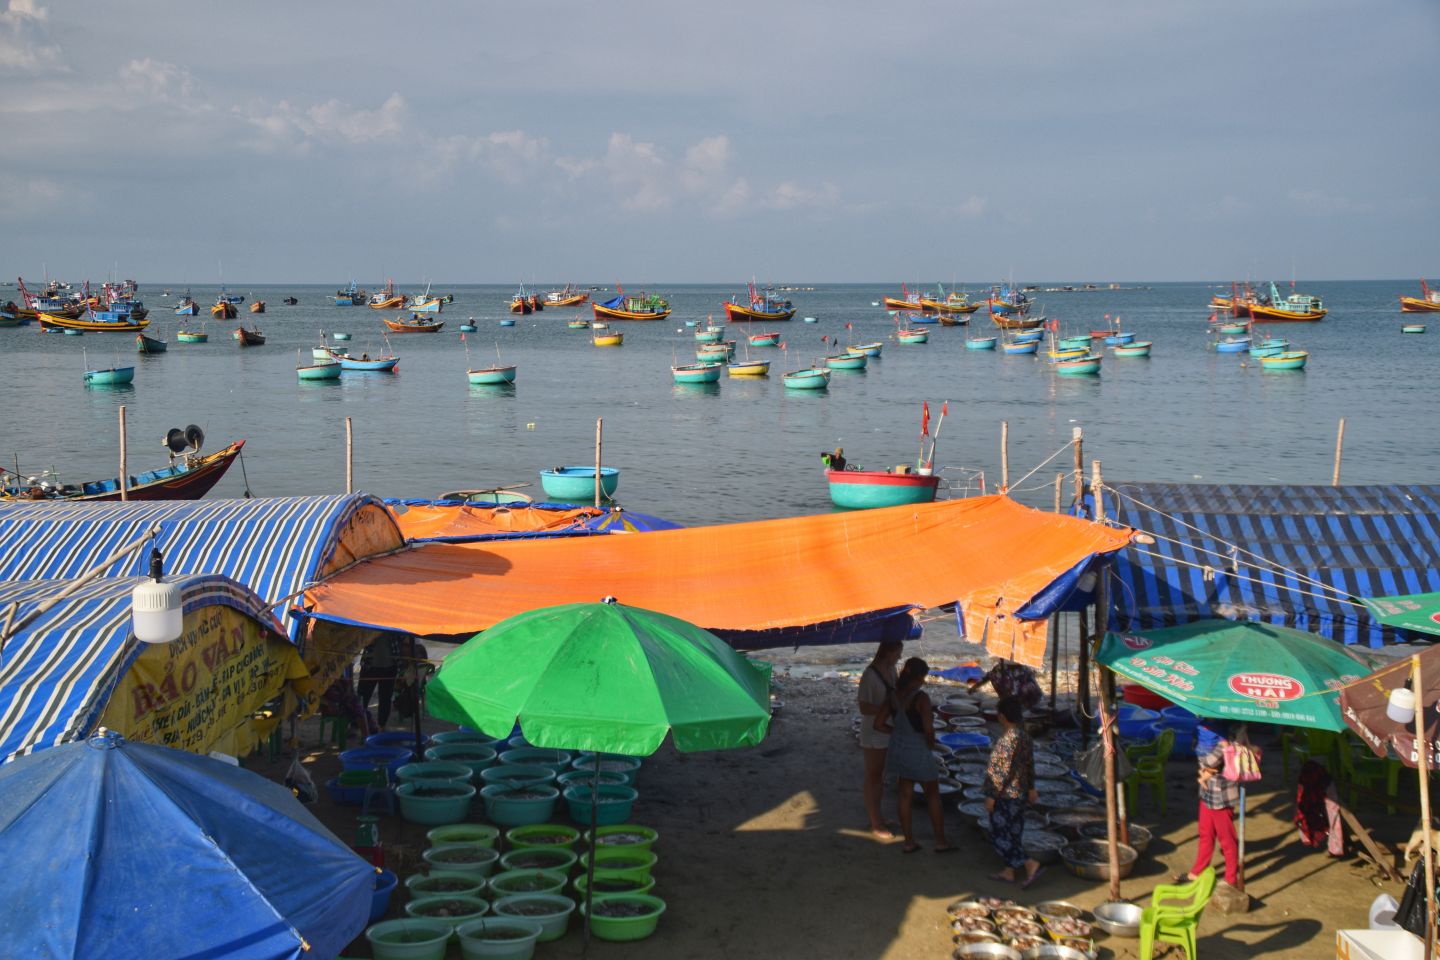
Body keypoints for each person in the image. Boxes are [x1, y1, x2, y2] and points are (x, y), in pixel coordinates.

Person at [876, 657, 954, 853]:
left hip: (899, 749)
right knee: (933, 795)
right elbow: (928, 729)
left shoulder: (893, 696)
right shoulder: (921, 698)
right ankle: (941, 841)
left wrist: (896, 732)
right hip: (918, 749)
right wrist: (931, 745)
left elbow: (878, 724)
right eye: (923, 677)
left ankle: (908, 842)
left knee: (904, 795)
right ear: (919, 677)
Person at [984, 695, 1044, 887]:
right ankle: (1008, 871)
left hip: (1006, 796)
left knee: (998, 834)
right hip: (1021, 793)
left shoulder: (1006, 741)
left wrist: (991, 796)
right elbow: (1030, 764)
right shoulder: (1024, 736)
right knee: (1014, 832)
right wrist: (1032, 788)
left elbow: (1000, 773)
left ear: (1002, 717)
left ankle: (1029, 863)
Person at [1181, 720, 1241, 887]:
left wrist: (1205, 769)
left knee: (1226, 838)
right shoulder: (1201, 728)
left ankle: (1231, 878)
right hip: (1207, 790)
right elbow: (1198, 752)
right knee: (1205, 832)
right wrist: (1204, 770)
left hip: (1221, 793)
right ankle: (1197, 871)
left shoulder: (1231, 731)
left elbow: (1212, 761)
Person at [857, 639, 902, 839]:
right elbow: (864, 707)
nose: (899, 657)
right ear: (888, 652)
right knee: (873, 777)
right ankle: (875, 823)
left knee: (880, 778)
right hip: (873, 733)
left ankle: (879, 817)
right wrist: (886, 710)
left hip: (887, 729)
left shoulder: (891, 671)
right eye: (897, 653)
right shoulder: (869, 675)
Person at [357, 635, 400, 731]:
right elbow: (360, 642)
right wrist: (370, 639)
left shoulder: (394, 629)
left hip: (390, 668)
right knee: (363, 697)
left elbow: (401, 640)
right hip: (369, 666)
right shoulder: (369, 629)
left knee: (385, 699)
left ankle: (382, 726)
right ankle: (357, 726)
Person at [969, 659, 1043, 712]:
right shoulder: (1023, 670)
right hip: (1016, 699)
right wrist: (974, 687)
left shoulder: (1022, 670)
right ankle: (1010, 704)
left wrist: (974, 687)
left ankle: (1011, 705)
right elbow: (987, 676)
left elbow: (986, 677)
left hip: (1021, 701)